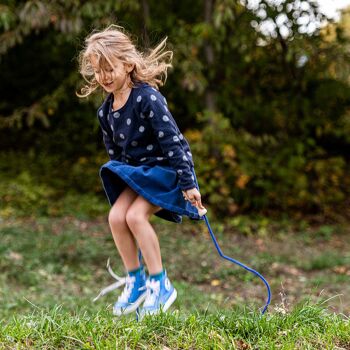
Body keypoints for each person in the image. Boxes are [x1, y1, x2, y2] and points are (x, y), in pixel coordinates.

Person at [77, 24, 205, 318]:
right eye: (98, 70)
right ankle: (136, 280)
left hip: (164, 172)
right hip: (138, 175)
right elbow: (118, 158)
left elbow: (173, 141)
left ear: (128, 63)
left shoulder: (148, 98)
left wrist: (189, 184)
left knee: (135, 216)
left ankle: (161, 284)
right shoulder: (105, 112)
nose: (104, 76)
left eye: (110, 68)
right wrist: (125, 188)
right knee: (116, 216)